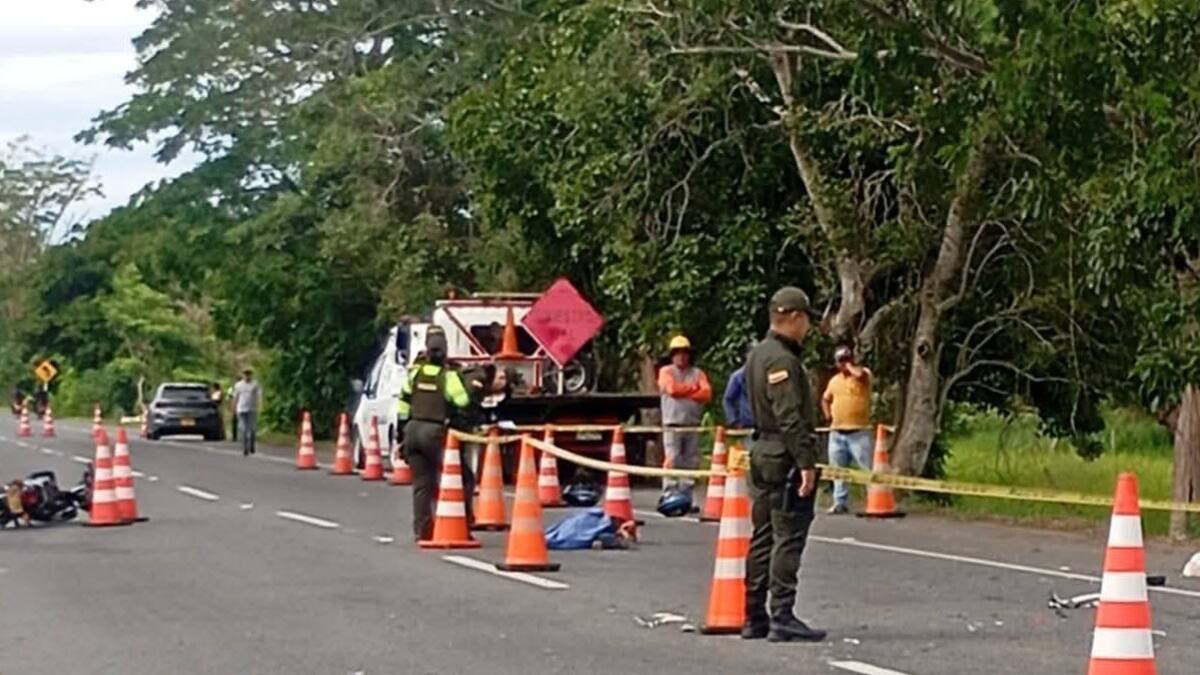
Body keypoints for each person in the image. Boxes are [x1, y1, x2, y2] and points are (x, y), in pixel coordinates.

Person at [742, 287, 826, 643]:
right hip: (783, 455)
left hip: (763, 450)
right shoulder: (781, 360)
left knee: (761, 536)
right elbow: (789, 415)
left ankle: (753, 614)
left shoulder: (758, 354)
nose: (808, 326)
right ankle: (782, 614)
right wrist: (806, 462)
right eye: (806, 318)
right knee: (787, 535)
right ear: (793, 317)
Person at [398, 326, 471, 541]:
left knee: (422, 483)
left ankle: (423, 530)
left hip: (412, 430)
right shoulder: (447, 377)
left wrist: (401, 435)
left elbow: (403, 403)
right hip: (434, 432)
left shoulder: (415, 373)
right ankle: (462, 525)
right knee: (463, 478)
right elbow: (462, 401)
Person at [656, 335, 712, 500]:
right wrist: (693, 389)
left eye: (684, 352)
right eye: (677, 353)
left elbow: (706, 393)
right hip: (672, 423)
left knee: (691, 460)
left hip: (692, 423)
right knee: (672, 458)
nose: (681, 356)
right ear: (672, 355)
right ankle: (669, 491)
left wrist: (686, 391)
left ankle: (686, 493)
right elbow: (672, 389)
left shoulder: (697, 373)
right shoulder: (666, 371)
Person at [821, 346, 874, 514]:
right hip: (837, 432)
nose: (843, 364)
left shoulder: (863, 375)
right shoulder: (834, 381)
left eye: (846, 359)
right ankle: (840, 502)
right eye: (840, 361)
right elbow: (825, 399)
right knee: (838, 470)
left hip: (858, 432)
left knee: (867, 468)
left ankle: (874, 500)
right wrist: (828, 414)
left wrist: (850, 366)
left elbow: (860, 375)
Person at [722, 341, 756, 429]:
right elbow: (728, 400)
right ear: (746, 355)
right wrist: (733, 421)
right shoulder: (737, 376)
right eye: (752, 353)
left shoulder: (766, 375)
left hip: (766, 427)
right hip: (745, 425)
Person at [231, 369, 262, 456]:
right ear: (243, 375)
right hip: (241, 409)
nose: (247, 376)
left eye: (249, 374)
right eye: (245, 374)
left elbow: (259, 396)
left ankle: (252, 444)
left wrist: (259, 406)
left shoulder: (255, 384)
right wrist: (233, 407)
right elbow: (235, 397)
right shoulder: (238, 385)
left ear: (251, 375)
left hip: (252, 409)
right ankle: (245, 447)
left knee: (252, 428)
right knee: (244, 429)